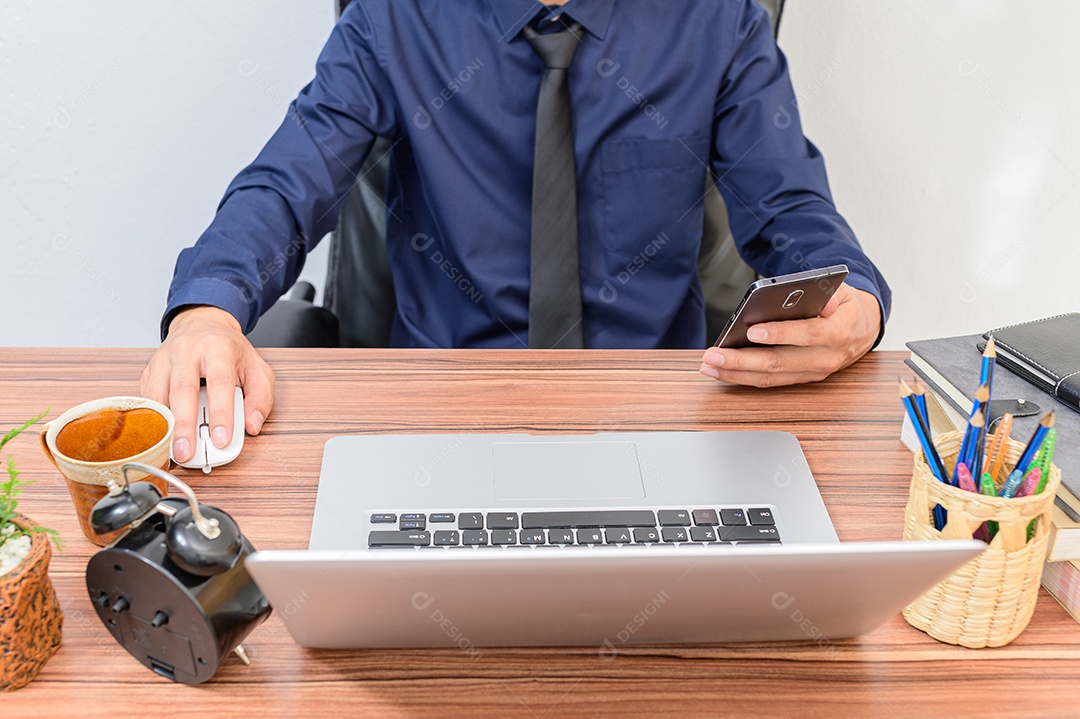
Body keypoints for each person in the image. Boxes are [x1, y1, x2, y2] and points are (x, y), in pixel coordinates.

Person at [142, 0, 891, 465]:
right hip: (436, 427)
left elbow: (797, 216)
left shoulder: (717, 21)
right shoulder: (394, 17)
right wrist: (209, 310)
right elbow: (287, 181)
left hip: (659, 425)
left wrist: (855, 303)